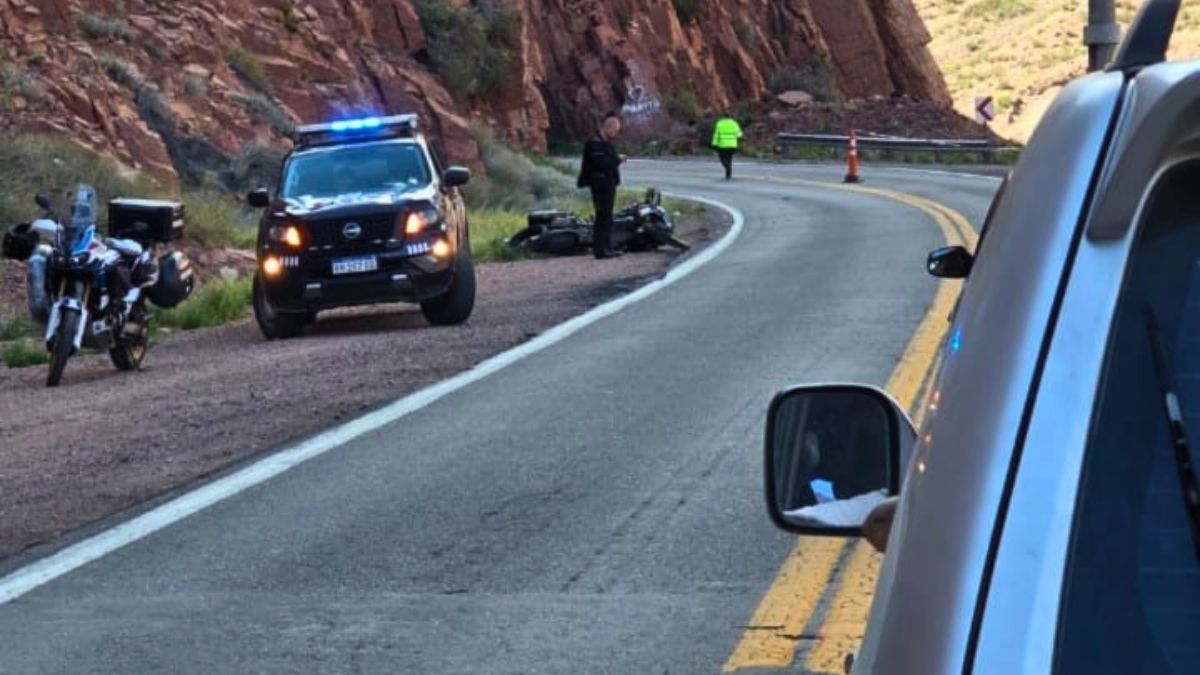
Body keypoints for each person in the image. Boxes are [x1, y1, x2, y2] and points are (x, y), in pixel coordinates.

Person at [578, 115, 626, 259]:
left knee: (607, 216)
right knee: (602, 216)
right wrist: (618, 159)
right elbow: (601, 163)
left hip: (608, 183)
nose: (616, 134)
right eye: (615, 130)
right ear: (608, 127)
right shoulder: (595, 143)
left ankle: (608, 247)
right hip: (599, 184)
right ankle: (600, 250)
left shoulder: (606, 143)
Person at [711, 113, 743, 180]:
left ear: (723, 117)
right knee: (729, 158)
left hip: (723, 144)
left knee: (722, 158)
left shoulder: (720, 123)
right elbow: (739, 134)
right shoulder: (734, 123)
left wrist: (714, 143)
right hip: (732, 144)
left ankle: (727, 167)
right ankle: (728, 175)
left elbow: (716, 134)